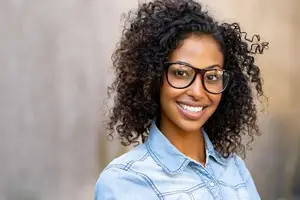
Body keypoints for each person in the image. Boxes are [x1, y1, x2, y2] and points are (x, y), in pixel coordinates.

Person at [95, 0, 268, 199]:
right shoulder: (123, 181)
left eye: (212, 77)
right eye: (181, 73)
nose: (197, 91)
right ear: (153, 77)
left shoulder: (234, 167)